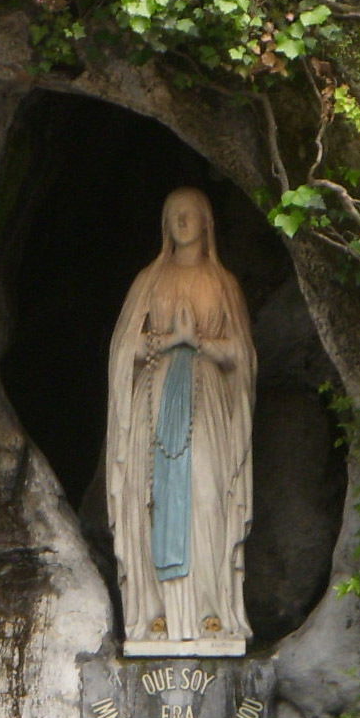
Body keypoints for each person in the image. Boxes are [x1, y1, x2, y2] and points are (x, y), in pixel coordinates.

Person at [106, 187, 255, 646]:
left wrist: (200, 343)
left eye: (190, 214)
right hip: (154, 401)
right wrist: (172, 341)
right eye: (174, 215)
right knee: (151, 498)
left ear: (207, 222)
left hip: (206, 403)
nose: (182, 222)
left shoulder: (223, 283)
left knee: (207, 497)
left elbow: (243, 356)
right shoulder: (149, 282)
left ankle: (212, 613)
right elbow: (123, 350)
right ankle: (159, 616)